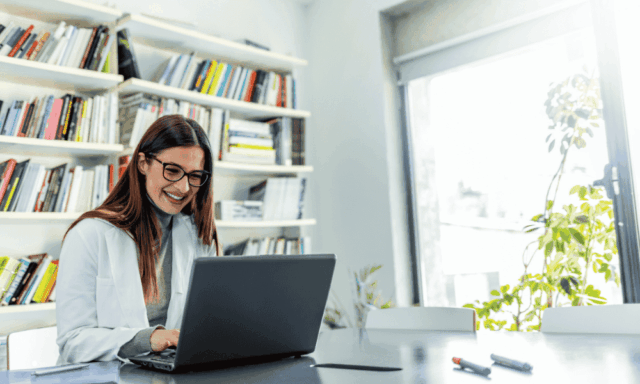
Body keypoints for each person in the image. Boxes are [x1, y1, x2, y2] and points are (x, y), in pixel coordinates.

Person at [56, 114, 221, 364]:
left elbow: (208, 322)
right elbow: (73, 343)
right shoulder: (89, 234)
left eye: (195, 176)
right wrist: (147, 339)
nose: (184, 188)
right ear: (143, 163)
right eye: (173, 170)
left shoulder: (198, 236)